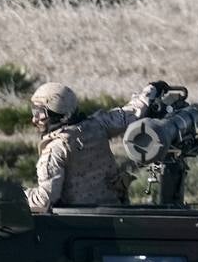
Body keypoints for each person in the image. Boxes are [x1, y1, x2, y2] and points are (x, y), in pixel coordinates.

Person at [24, 81, 162, 213]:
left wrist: (18, 195)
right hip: (116, 214)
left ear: (58, 115)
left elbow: (44, 201)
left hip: (80, 227)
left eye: (39, 113)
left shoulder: (55, 150)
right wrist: (152, 89)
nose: (34, 119)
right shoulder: (99, 125)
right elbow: (132, 112)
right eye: (33, 111)